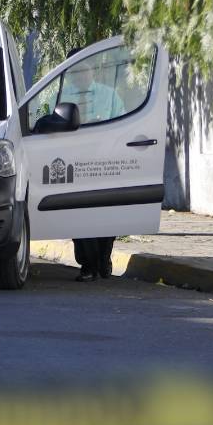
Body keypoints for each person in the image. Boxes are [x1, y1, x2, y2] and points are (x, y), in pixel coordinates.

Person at [61, 50, 125, 282]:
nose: (79, 75)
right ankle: (88, 265)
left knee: (106, 217)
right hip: (75, 166)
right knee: (80, 218)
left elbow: (123, 124)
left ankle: (104, 259)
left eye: (83, 69)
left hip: (105, 166)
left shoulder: (109, 96)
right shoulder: (60, 96)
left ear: (92, 70)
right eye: (73, 72)